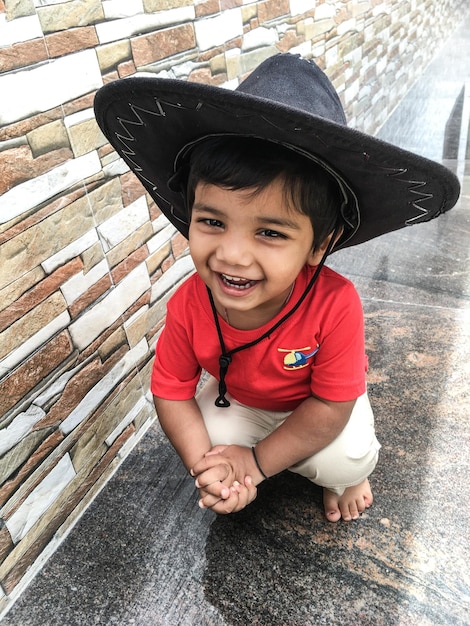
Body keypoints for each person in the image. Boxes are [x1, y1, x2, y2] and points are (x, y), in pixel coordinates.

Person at [94, 53, 460, 521]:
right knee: (202, 430)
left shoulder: (336, 304)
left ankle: (338, 474)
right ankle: (263, 454)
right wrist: (210, 470)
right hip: (241, 399)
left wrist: (256, 463)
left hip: (320, 404)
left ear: (318, 244)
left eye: (269, 232)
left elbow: (331, 404)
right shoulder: (190, 302)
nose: (232, 255)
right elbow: (171, 392)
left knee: (345, 458)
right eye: (212, 221)